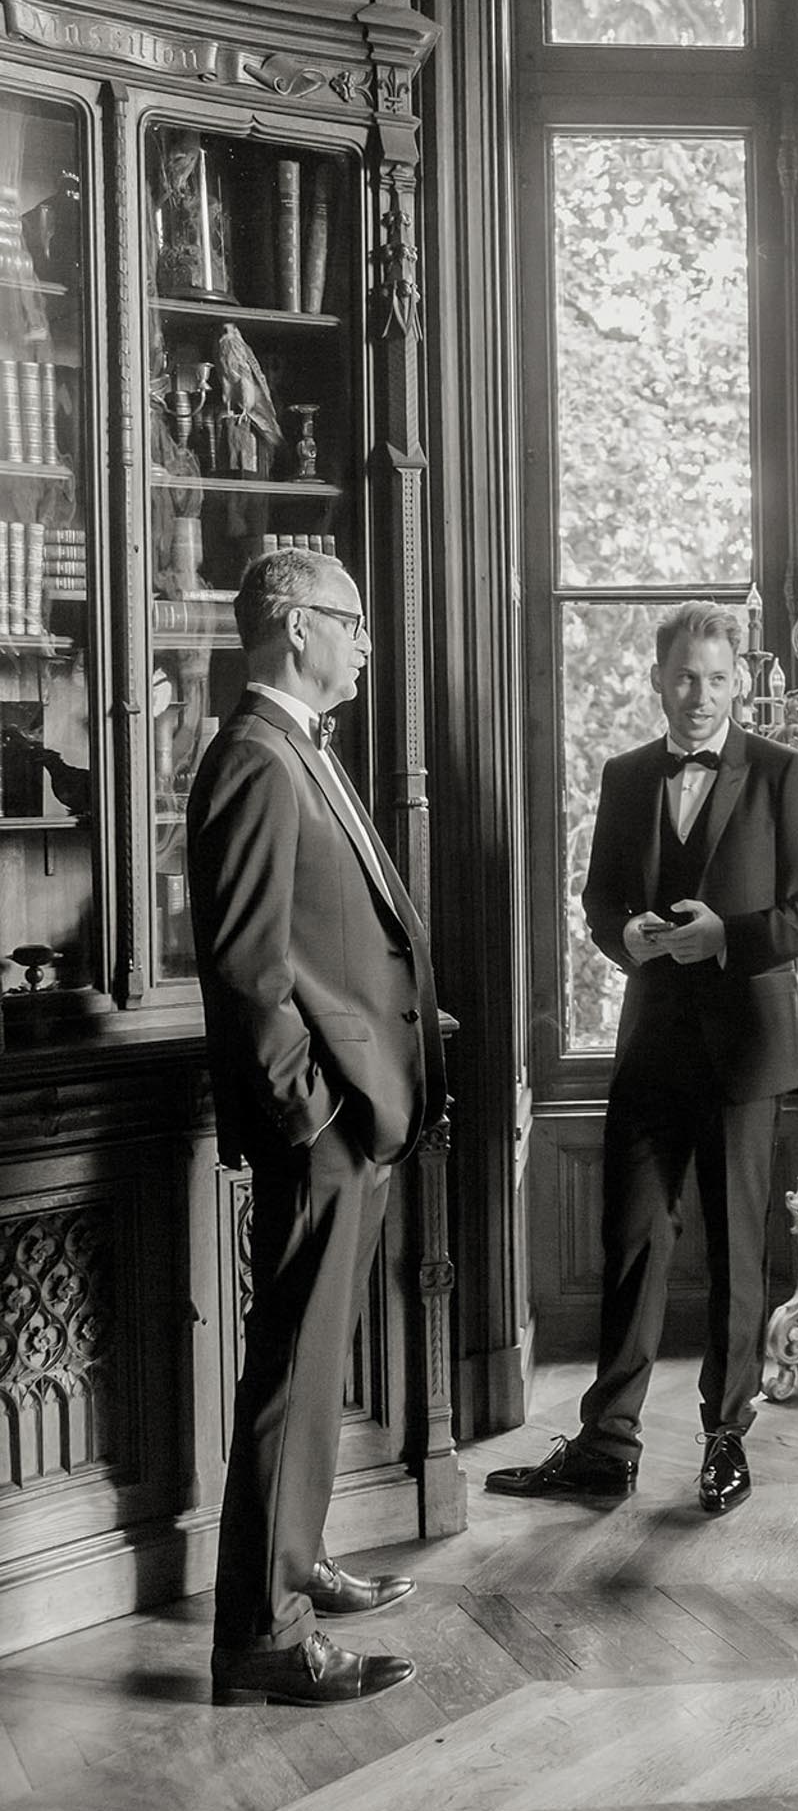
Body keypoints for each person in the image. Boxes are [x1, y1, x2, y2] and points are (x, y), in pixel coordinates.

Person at [487, 600, 798, 1513]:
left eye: (718, 680)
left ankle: (727, 1441)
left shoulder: (782, 773)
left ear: (736, 685)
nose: (699, 695)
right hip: (650, 1049)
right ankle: (608, 1445)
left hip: (745, 1058)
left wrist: (728, 936)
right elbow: (601, 901)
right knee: (634, 1245)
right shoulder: (626, 774)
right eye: (685, 677)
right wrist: (627, 936)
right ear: (657, 678)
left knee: (735, 1256)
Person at [187, 547, 447, 1707]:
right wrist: (313, 1114)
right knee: (291, 1372)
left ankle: (295, 1566)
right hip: (323, 1128)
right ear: (296, 628)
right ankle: (261, 1635)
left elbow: (322, 937)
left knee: (311, 1360)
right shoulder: (254, 756)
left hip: (353, 1114)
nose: (365, 642)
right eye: (351, 621)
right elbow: (247, 969)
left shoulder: (297, 745)